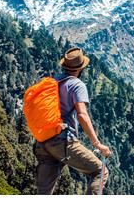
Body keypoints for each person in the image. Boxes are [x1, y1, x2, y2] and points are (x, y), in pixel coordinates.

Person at [34, 47, 111, 195]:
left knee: (43, 192)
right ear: (80, 69)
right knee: (100, 171)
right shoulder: (77, 85)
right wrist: (97, 143)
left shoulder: (53, 81)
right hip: (63, 141)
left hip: (43, 141)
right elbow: (82, 114)